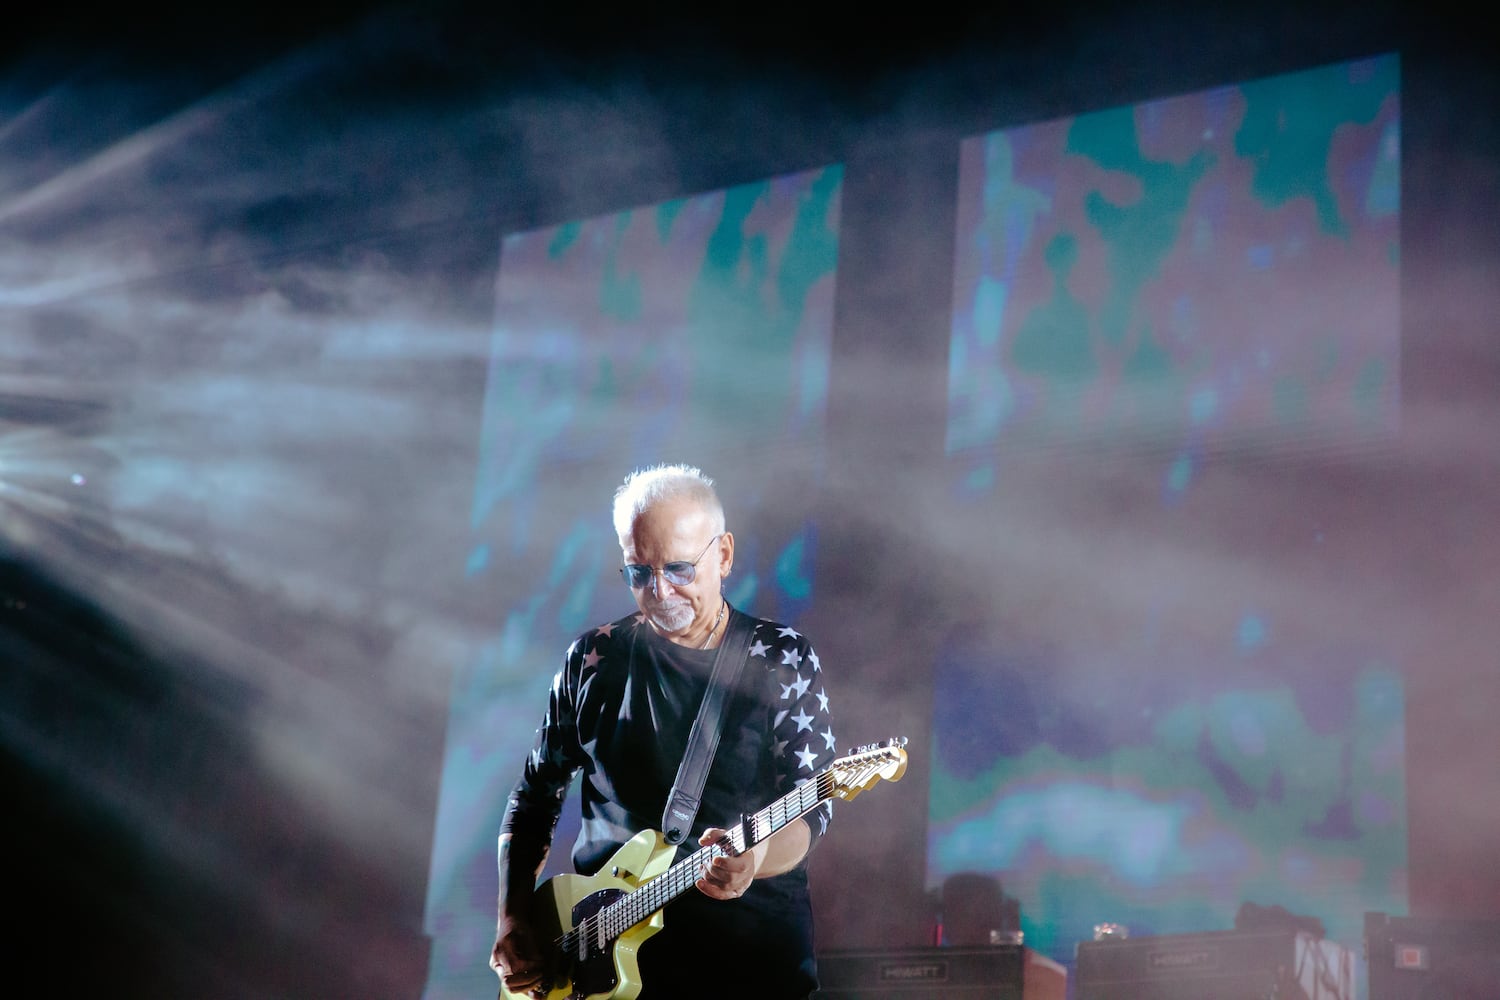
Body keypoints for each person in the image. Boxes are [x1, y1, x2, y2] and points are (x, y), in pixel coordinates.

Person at [490, 464, 836, 999]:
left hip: (750, 969)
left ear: (722, 555)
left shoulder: (782, 658)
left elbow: (813, 803)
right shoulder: (593, 659)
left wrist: (757, 858)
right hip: (596, 971)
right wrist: (513, 919)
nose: (659, 591)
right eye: (638, 572)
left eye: (678, 568)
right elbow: (534, 796)